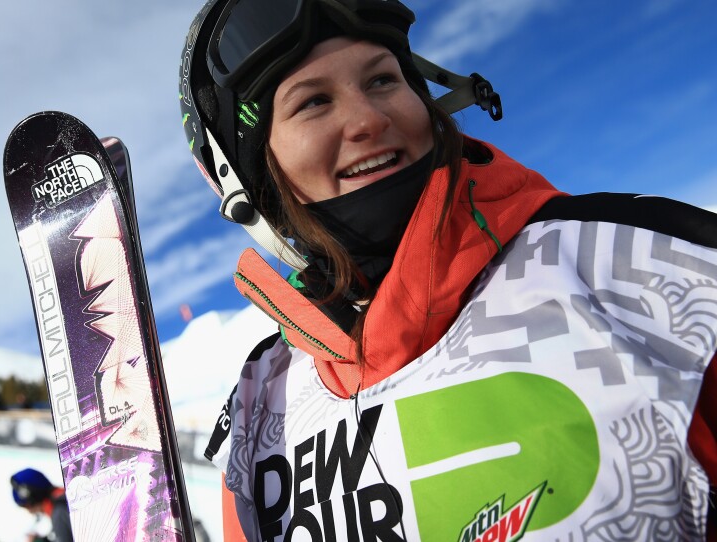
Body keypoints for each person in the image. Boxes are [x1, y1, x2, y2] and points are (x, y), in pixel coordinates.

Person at [179, 0, 717, 540]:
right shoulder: (258, 410)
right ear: (247, 179)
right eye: (314, 102)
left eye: (384, 80)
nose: (369, 119)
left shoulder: (649, 266)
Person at [9, 468, 73, 542]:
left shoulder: (59, 512)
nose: (30, 512)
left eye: (27, 506)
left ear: (33, 497)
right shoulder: (66, 497)